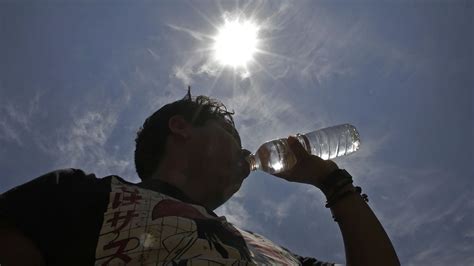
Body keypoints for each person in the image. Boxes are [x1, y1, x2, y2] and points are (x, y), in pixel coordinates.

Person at [0, 90, 400, 265]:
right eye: (232, 136)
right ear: (181, 127)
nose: (247, 153)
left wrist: (332, 181)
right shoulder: (81, 193)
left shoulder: (272, 252)